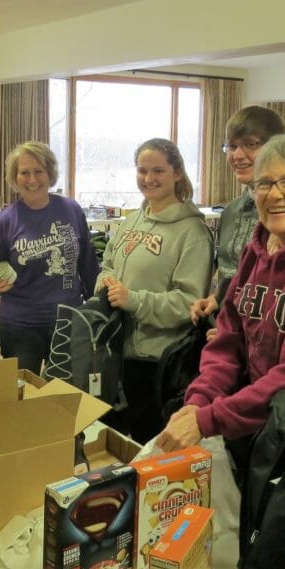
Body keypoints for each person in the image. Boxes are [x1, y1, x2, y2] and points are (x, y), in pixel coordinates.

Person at [157, 134, 285, 452]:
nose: (274, 194)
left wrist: (207, 420)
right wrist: (199, 401)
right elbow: (229, 339)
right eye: (264, 183)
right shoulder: (259, 247)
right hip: (253, 417)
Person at [99, 138, 214, 443]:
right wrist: (107, 280)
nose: (148, 179)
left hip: (157, 362)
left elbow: (189, 302)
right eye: (142, 170)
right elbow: (109, 260)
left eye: (158, 170)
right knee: (115, 442)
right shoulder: (131, 220)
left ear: (177, 173)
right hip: (117, 352)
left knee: (148, 447)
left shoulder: (193, 233)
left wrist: (133, 300)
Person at [0, 141, 99, 374]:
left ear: (50, 174)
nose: (32, 179)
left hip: (68, 321)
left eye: (38, 171)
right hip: (21, 326)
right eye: (24, 172)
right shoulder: (4, 221)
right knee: (24, 397)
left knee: (66, 397)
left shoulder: (71, 210)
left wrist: (97, 307)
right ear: (15, 177)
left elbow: (88, 265)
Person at [189, 106, 285, 338]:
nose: (237, 155)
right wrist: (215, 298)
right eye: (231, 146)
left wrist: (238, 337)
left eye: (250, 144)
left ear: (278, 148)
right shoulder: (231, 211)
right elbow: (230, 276)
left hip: (265, 342)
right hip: (223, 336)